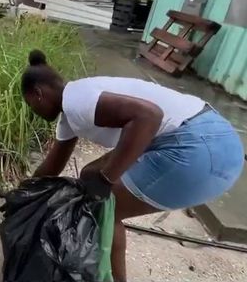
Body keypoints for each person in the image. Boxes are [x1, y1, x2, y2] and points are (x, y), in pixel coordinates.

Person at [20, 49, 244, 282]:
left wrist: (107, 180)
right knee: (89, 175)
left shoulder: (78, 102)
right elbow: (50, 168)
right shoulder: (74, 105)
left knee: (101, 210)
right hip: (217, 137)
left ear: (38, 94)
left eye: (31, 105)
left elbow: (149, 116)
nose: (34, 111)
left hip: (199, 151)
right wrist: (20, 194)